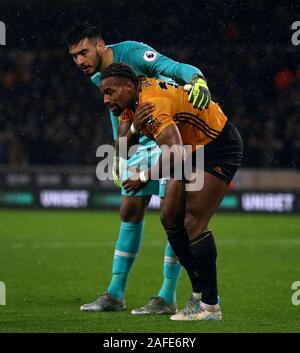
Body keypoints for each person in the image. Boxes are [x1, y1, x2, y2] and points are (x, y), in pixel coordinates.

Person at [67, 22, 211, 314]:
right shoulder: (98, 75)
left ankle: (166, 296)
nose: (79, 61)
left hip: (173, 133)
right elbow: (117, 112)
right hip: (140, 136)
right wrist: (120, 156)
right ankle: (115, 294)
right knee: (129, 209)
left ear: (101, 46)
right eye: (73, 56)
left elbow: (171, 67)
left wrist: (196, 79)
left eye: (83, 52)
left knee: (173, 214)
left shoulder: (132, 53)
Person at [99, 63, 243, 320]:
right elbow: (121, 144)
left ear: (129, 87)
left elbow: (173, 151)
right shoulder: (131, 102)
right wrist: (134, 128)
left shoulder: (151, 104)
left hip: (216, 145)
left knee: (194, 222)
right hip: (189, 148)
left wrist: (144, 176)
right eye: (104, 93)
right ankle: (199, 294)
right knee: (169, 217)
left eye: (110, 92)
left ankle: (210, 307)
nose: (106, 98)